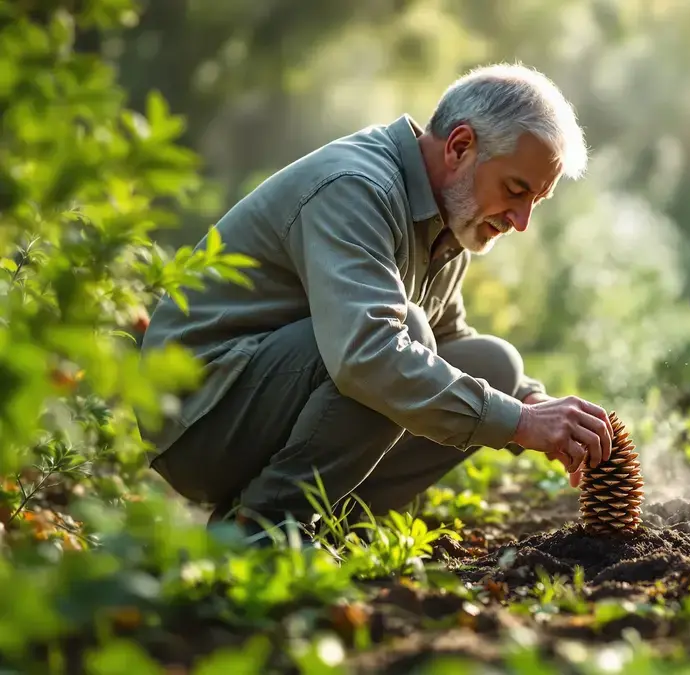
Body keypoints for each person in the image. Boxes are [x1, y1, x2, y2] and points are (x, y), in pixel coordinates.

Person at [137, 63, 614, 542]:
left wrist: (531, 400)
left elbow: (448, 338)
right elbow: (369, 356)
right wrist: (521, 424)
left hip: (264, 398)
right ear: (460, 147)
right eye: (516, 190)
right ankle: (262, 529)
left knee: (496, 366)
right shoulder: (357, 188)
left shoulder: (450, 218)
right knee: (394, 346)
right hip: (199, 418)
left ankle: (332, 521)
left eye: (538, 199)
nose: (522, 219)